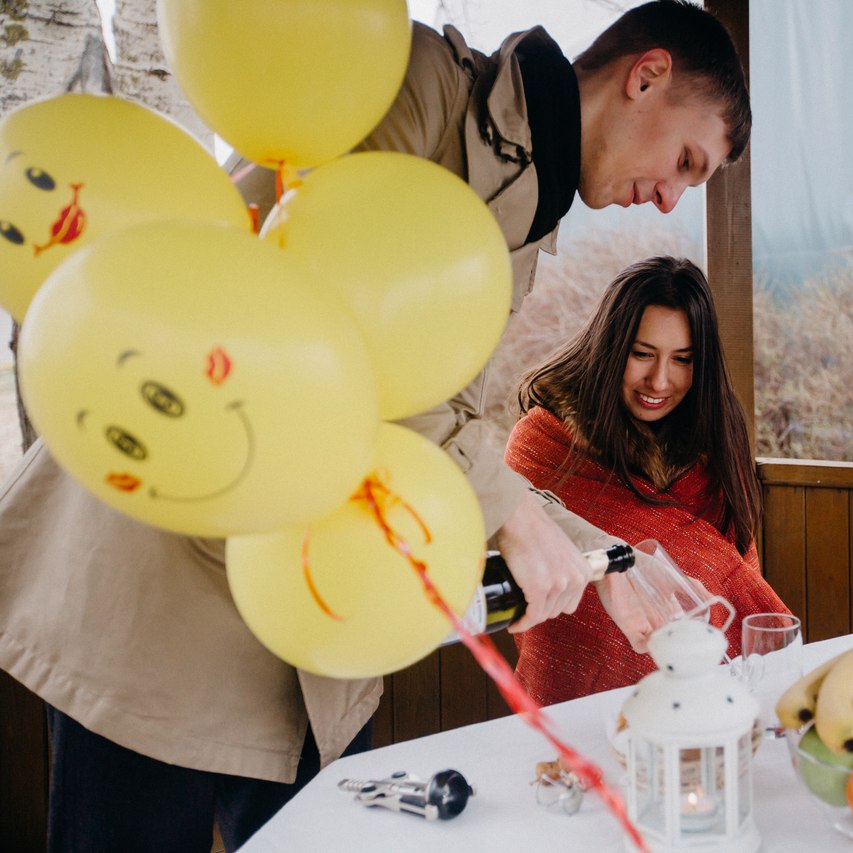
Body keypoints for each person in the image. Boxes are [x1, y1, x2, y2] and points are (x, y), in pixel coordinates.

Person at [0, 3, 751, 850]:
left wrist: (611, 555)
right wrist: (516, 516)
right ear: (646, 76)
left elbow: (443, 420)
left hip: (312, 608)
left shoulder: (529, 212)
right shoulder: (413, 85)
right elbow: (324, 331)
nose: (669, 197)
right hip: (166, 577)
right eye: (685, 162)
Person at [504, 256, 791, 706]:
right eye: (642, 354)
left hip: (710, 697)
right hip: (579, 702)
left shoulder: (715, 438)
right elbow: (534, 562)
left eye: (682, 359)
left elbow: (733, 577)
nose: (659, 380)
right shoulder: (544, 442)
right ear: (610, 347)